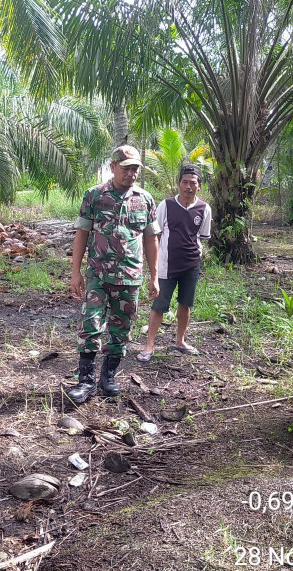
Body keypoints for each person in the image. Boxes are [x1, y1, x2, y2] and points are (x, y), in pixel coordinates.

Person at [68, 145, 160, 404]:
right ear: (113, 167)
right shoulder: (94, 196)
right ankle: (85, 380)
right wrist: (75, 272)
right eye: (126, 168)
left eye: (135, 169)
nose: (131, 174)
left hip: (129, 276)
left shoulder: (145, 199)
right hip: (98, 274)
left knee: (121, 327)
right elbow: (82, 234)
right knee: (90, 324)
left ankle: (108, 376)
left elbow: (151, 239)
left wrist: (154, 276)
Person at [136, 164, 211, 362]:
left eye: (192, 183)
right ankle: (149, 345)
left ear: (199, 185)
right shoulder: (166, 205)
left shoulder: (204, 208)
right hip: (166, 265)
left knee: (185, 304)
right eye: (184, 182)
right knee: (159, 304)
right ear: (178, 184)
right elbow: (156, 235)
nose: (188, 187)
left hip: (191, 264)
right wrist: (157, 262)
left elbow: (201, 237)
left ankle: (180, 341)